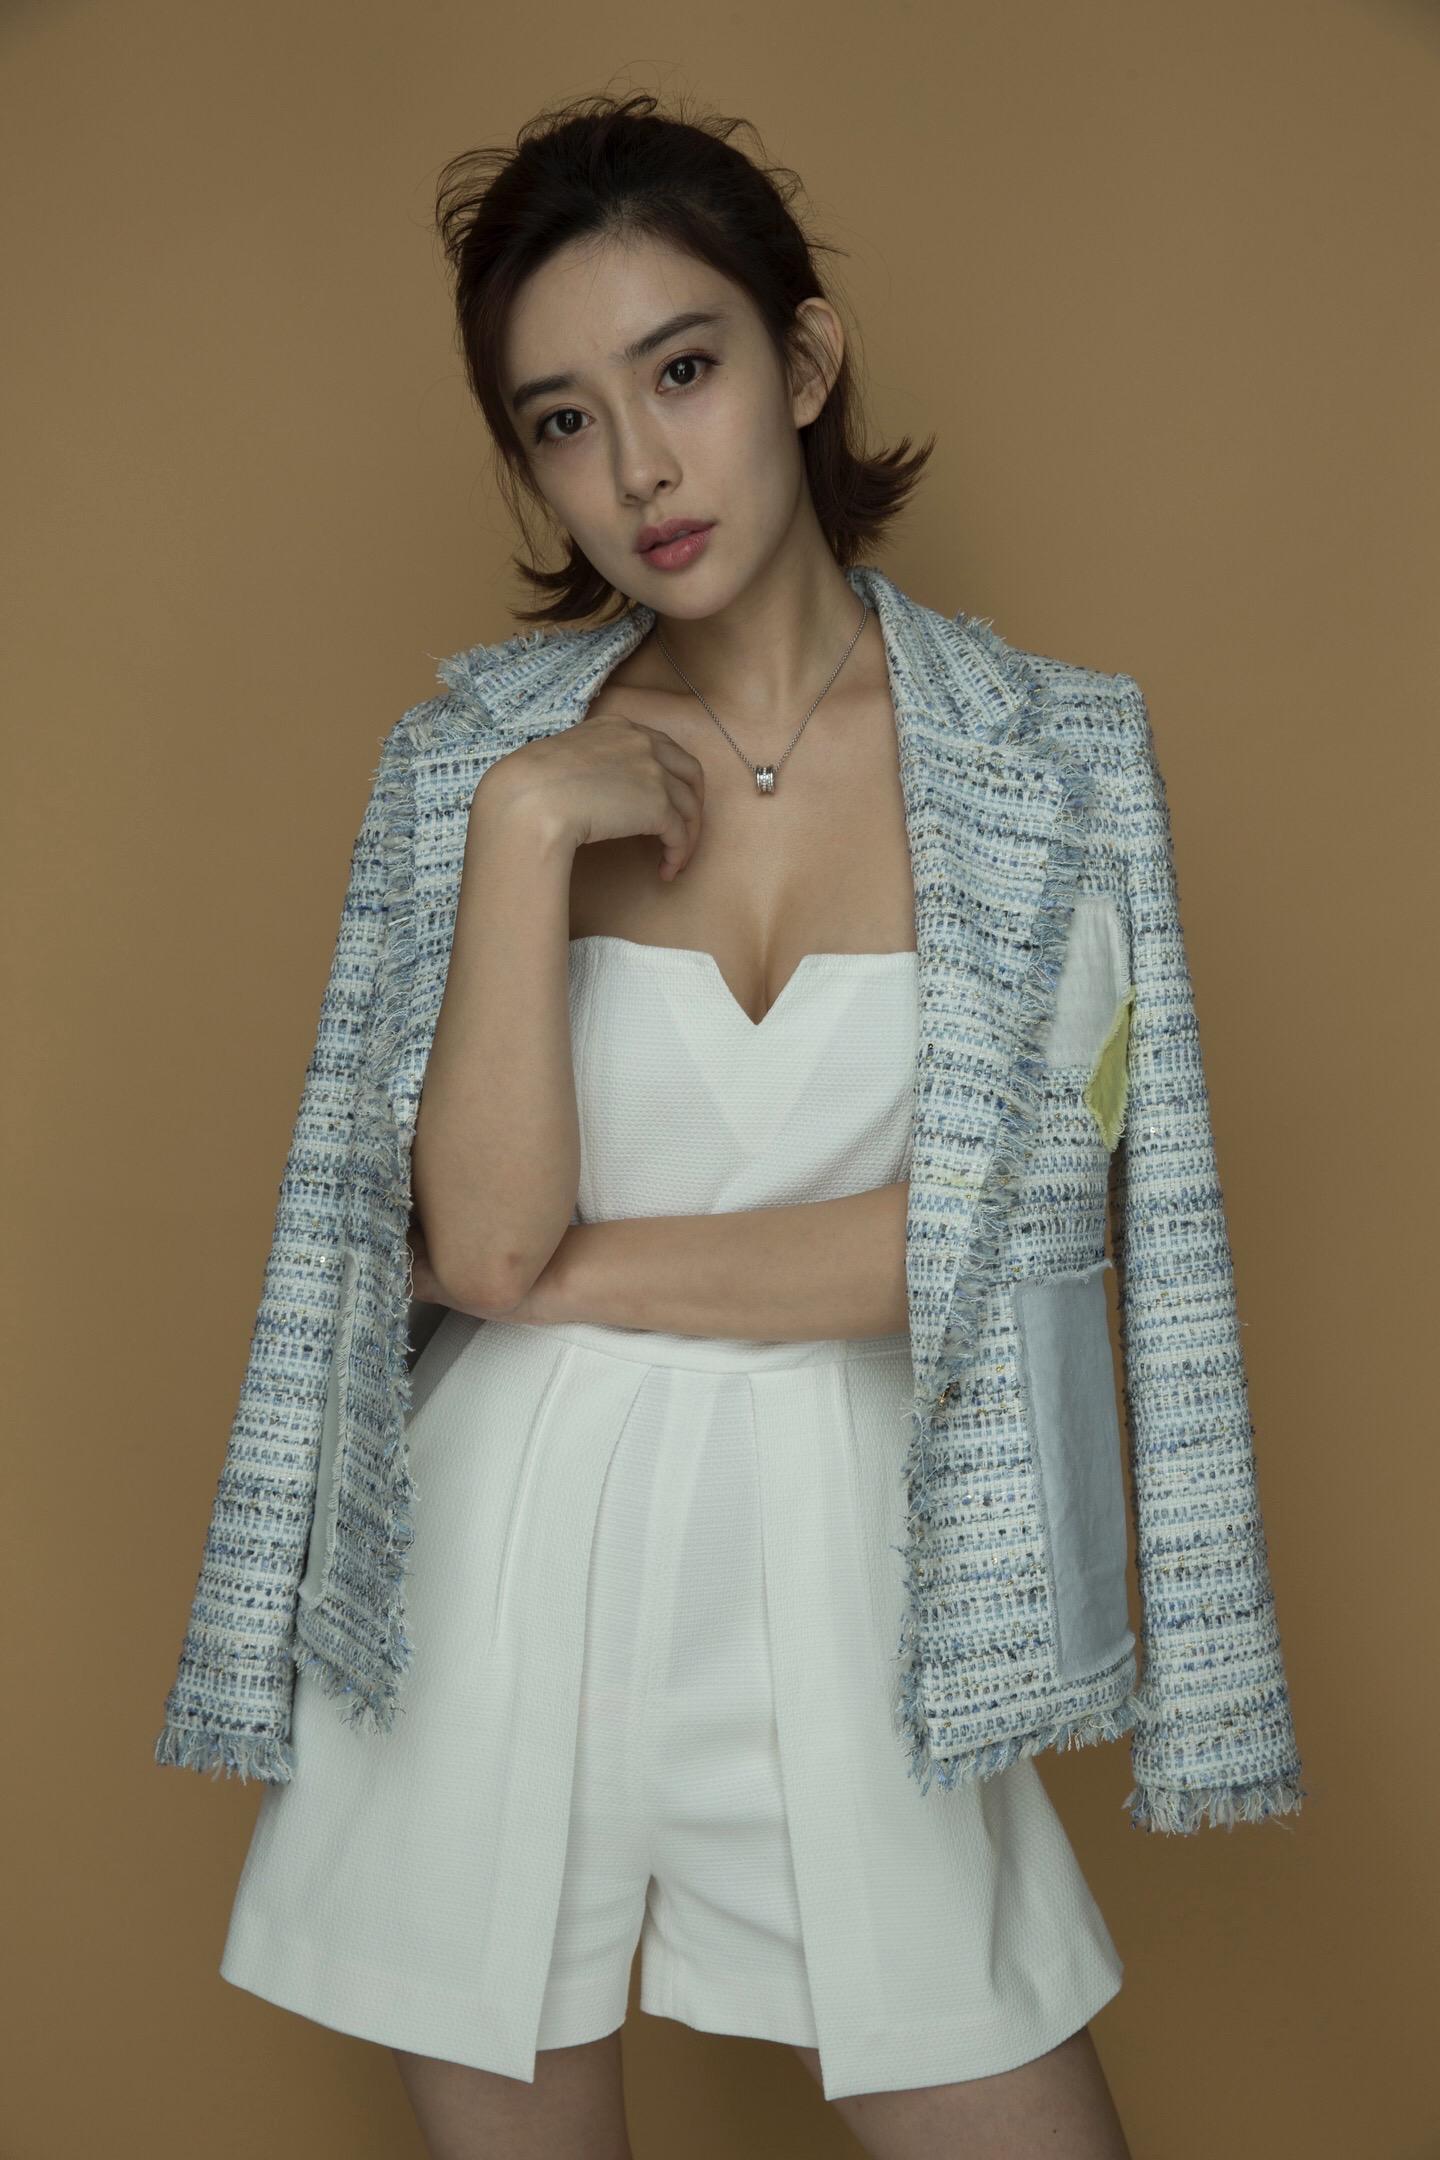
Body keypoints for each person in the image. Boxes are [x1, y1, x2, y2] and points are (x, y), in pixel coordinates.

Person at [164, 87, 1302, 2160]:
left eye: (680, 371)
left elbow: (987, 1239)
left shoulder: (1055, 763)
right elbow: (476, 1238)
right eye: (562, 420)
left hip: (873, 1593)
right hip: (489, 1590)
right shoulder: (470, 774)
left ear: (803, 359)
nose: (638, 468)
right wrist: (527, 836)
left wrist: (555, 1279)